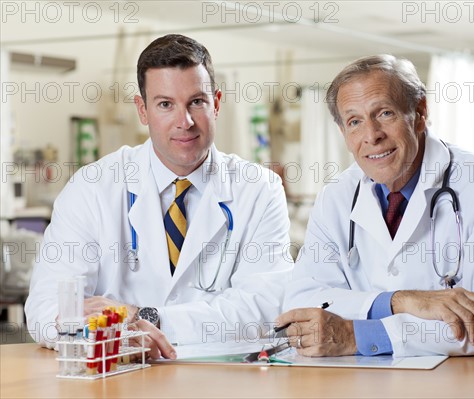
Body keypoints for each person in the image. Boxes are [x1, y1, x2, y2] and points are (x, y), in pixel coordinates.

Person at [25, 34, 292, 358]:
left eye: (197, 101)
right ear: (143, 110)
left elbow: (265, 310)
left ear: (217, 103)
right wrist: (107, 331)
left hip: (221, 376)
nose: (185, 122)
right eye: (166, 104)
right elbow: (47, 308)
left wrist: (142, 318)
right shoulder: (93, 186)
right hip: (117, 376)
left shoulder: (258, 189)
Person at [278, 55, 474, 357]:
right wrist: (400, 300)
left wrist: (356, 334)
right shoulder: (337, 196)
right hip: (382, 370)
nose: (372, 136)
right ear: (343, 133)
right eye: (355, 121)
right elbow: (299, 306)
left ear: (421, 112)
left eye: (385, 113)